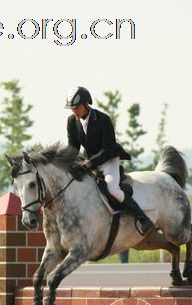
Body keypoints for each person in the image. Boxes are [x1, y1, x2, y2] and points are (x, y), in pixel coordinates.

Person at [65, 86, 155, 235]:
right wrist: (68, 164)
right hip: (90, 160)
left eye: (76, 107)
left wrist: (89, 164)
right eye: (72, 108)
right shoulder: (71, 121)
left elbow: (108, 149)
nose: (74, 111)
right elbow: (73, 148)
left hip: (109, 159)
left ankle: (143, 219)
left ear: (87, 104)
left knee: (112, 188)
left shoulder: (103, 119)